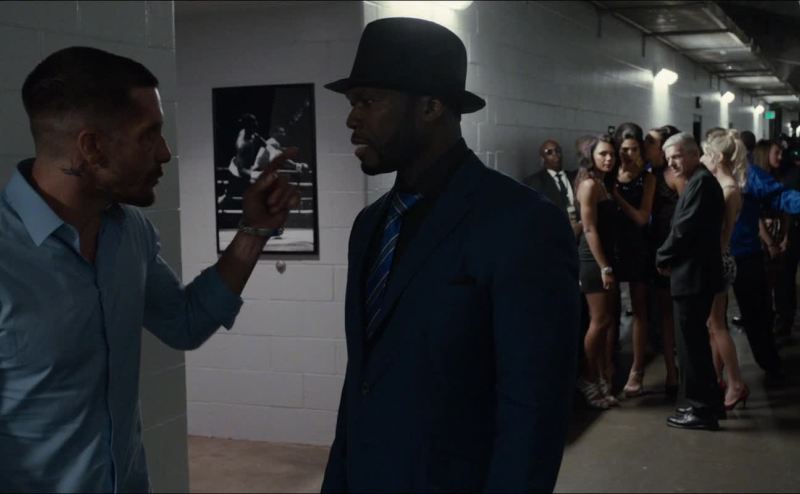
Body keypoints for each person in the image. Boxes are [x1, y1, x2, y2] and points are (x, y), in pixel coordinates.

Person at [0, 46, 299, 492]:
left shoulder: (130, 233)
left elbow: (185, 322)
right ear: (91, 147)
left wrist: (253, 230)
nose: (164, 153)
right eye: (149, 135)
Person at [321, 18, 580, 493]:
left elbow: (533, 410)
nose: (352, 119)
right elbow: (362, 383)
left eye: (368, 101)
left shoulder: (521, 223)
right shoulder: (369, 226)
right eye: (352, 102)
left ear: (431, 107)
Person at [656, 133, 725, 430]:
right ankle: (708, 405)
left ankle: (701, 410)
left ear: (695, 154)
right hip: (695, 275)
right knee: (694, 344)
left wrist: (662, 256)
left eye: (677, 156)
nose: (672, 163)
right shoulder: (699, 181)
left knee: (691, 347)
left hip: (693, 276)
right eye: (668, 158)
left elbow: (684, 229)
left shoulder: (701, 183)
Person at [730, 136, 800, 380]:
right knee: (713, 323)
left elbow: (780, 197)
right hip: (715, 255)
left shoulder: (749, 175)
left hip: (744, 253)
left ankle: (769, 363)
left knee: (757, 313)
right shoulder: (702, 176)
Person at [700, 129, 749, 410]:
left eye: (706, 154)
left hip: (719, 259)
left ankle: (735, 382)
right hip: (718, 258)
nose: (703, 159)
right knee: (713, 324)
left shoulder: (728, 189)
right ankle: (718, 379)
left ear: (717, 157)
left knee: (717, 324)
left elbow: (725, 234)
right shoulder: (722, 184)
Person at [574, 134, 619, 409]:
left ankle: (600, 377)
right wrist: (605, 266)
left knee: (605, 322)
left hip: (605, 258)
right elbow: (589, 229)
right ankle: (588, 378)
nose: (608, 158)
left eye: (611, 154)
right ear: (591, 156)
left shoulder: (602, 183)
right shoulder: (589, 184)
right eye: (603, 154)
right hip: (593, 261)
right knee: (599, 321)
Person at [611, 123, 656, 398]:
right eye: (624, 149)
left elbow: (641, 218)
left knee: (640, 309)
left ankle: (637, 370)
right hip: (613, 245)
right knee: (609, 310)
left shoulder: (646, 178)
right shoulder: (609, 173)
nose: (628, 154)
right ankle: (607, 366)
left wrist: (617, 196)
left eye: (634, 149)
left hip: (638, 246)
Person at [643, 125, 681, 396]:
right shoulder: (649, 175)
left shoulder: (675, 175)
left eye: (650, 142)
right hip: (658, 250)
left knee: (686, 316)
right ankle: (671, 372)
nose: (646, 146)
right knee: (665, 315)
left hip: (677, 251)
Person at [524, 139, 579, 235]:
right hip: (553, 233)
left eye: (558, 151)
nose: (555, 154)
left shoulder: (576, 177)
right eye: (549, 152)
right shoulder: (533, 182)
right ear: (542, 158)